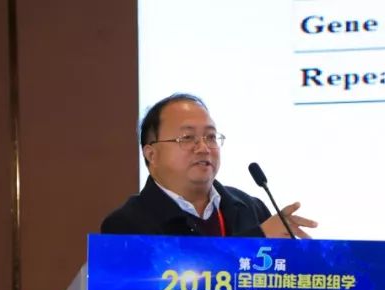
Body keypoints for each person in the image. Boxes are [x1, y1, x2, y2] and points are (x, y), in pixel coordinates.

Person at [101, 93, 317, 238]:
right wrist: (258, 240)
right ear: (152, 154)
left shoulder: (250, 208)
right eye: (187, 138)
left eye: (211, 137)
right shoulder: (125, 225)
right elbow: (182, 277)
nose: (203, 147)